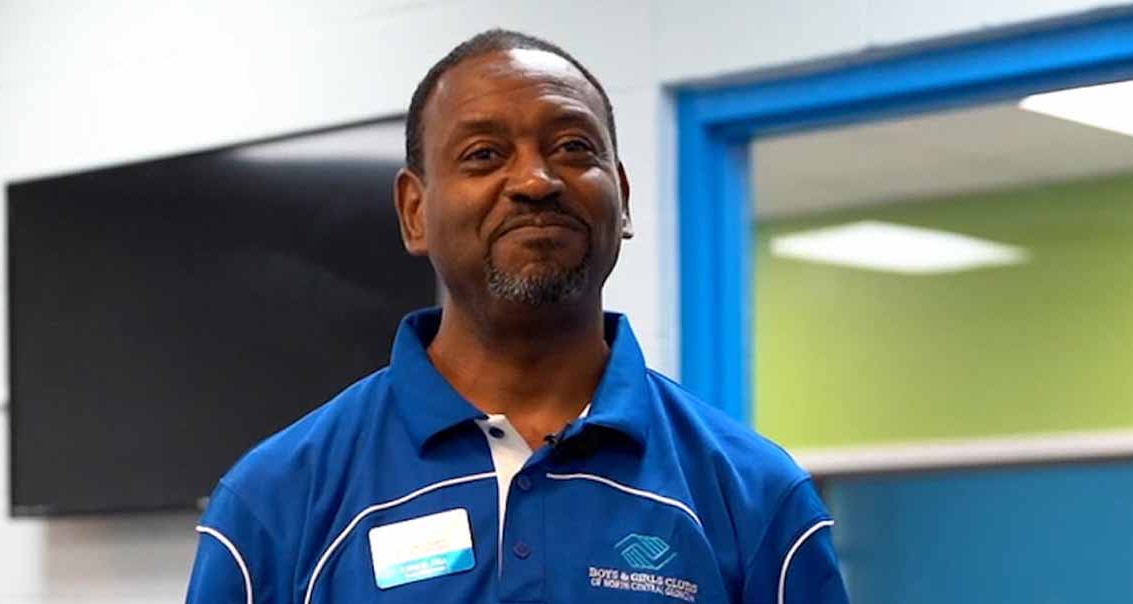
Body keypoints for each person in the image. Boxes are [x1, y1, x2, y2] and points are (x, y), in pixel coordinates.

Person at [186, 29, 848, 604]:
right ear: (415, 211)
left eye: (572, 148)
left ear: (621, 197)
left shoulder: (756, 499)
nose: (537, 181)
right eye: (484, 154)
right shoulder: (276, 503)